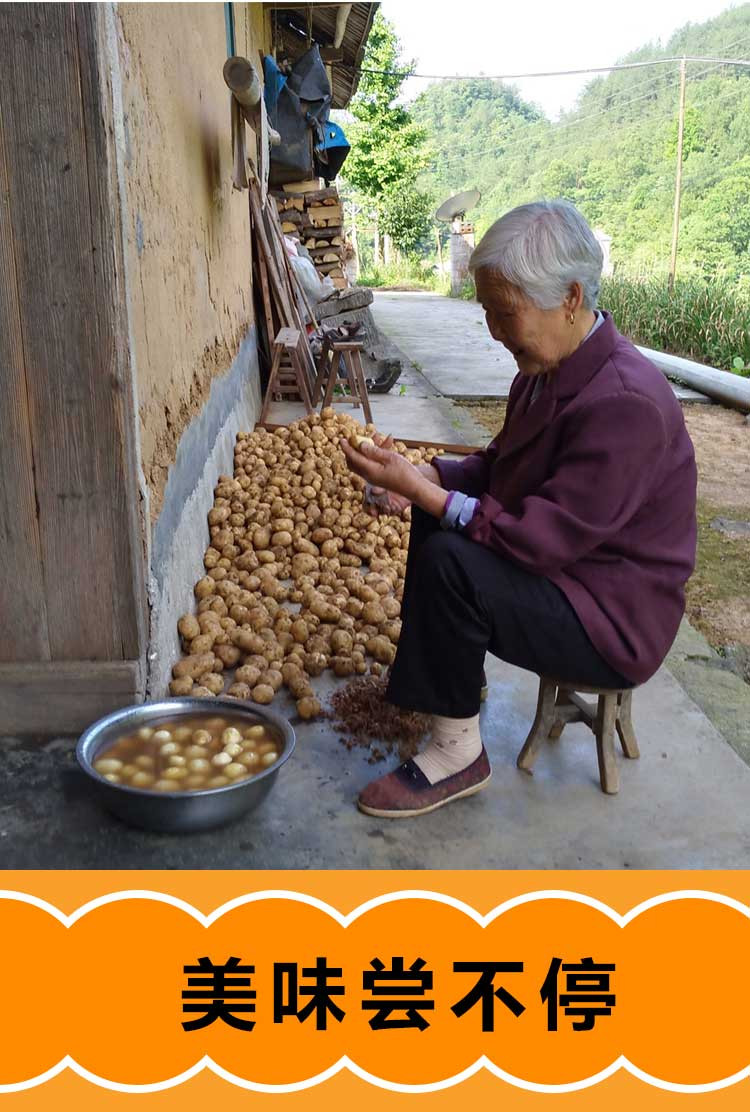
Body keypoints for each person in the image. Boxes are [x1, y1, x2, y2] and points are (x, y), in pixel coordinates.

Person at [341, 200, 697, 819]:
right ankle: (454, 691)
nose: (496, 332)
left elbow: (541, 543)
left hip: (610, 615)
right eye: (487, 313)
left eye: (506, 314)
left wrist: (429, 493)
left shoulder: (625, 403)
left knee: (453, 561)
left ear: (570, 298)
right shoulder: (544, 372)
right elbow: (499, 469)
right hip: (570, 574)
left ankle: (458, 753)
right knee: (438, 517)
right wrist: (426, 478)